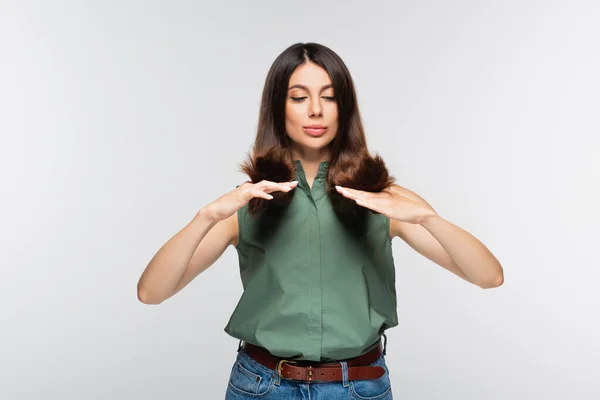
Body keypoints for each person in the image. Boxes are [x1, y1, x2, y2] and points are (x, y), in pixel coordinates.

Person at [137, 42, 504, 399]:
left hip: (358, 386)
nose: (316, 110)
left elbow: (488, 276)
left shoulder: (383, 200)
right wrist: (205, 217)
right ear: (278, 107)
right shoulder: (249, 202)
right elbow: (152, 292)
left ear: (344, 107)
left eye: (329, 97)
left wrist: (426, 217)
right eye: (299, 97)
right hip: (262, 386)